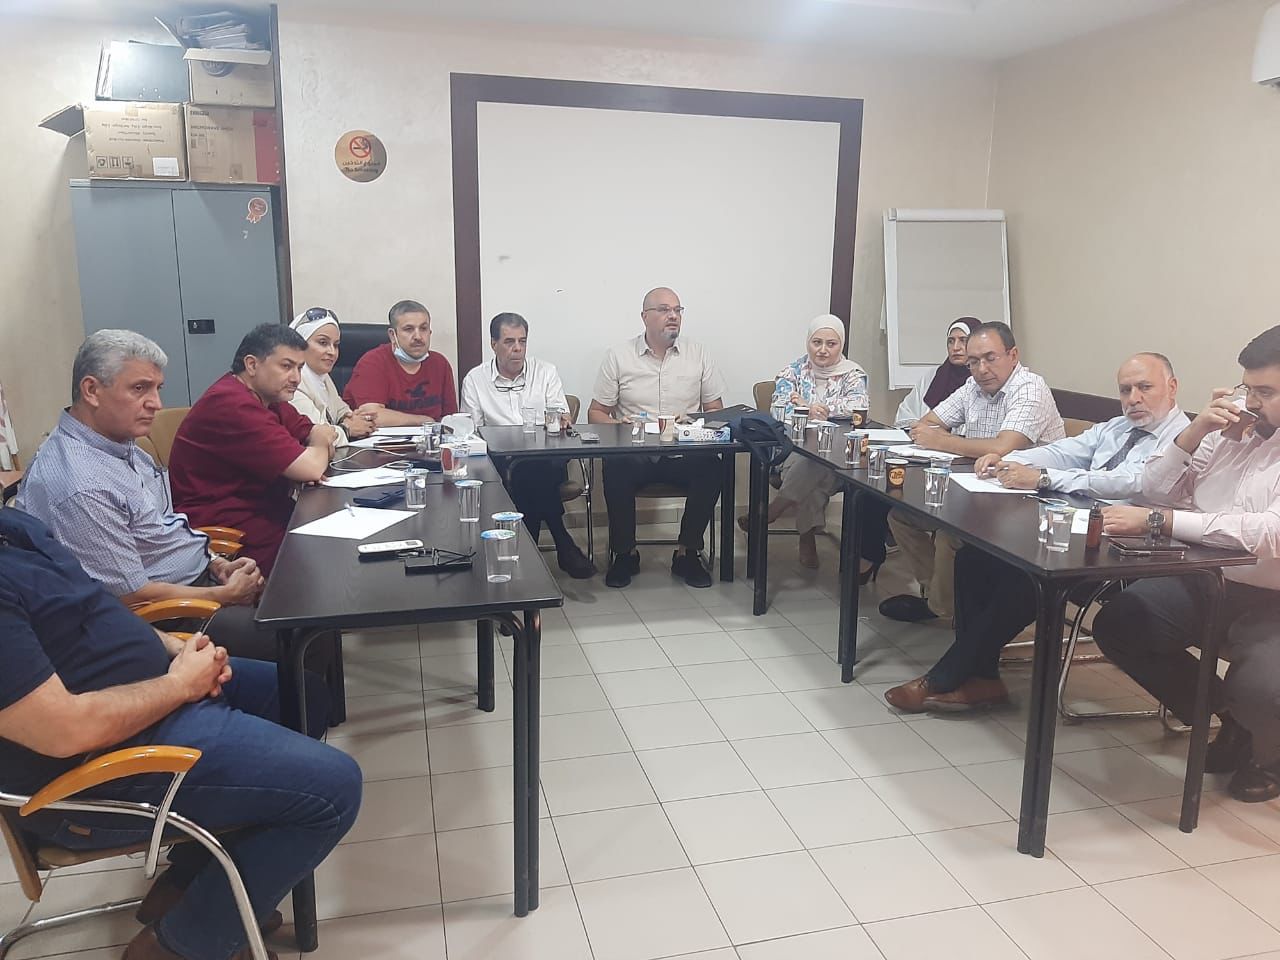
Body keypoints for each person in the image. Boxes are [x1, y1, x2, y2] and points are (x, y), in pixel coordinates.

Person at [0, 507, 360, 960]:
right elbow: (64, 732)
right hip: (91, 774)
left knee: (303, 696)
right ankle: (182, 947)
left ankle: (190, 885)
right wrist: (180, 685)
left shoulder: (13, 527)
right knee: (334, 789)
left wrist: (175, 648)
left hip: (150, 701)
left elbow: (96, 609)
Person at [883, 353, 1187, 712]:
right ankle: (982, 677)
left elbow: (1131, 482)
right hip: (1077, 528)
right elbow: (1062, 451)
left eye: (1144, 387)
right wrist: (1012, 461)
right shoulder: (1116, 427)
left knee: (1029, 576)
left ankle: (945, 677)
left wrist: (1044, 478)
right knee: (974, 558)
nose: (1133, 398)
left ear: (1172, 387)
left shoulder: (1183, 439)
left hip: (1130, 550)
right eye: (1125, 390)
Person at [1091, 326, 1280, 803]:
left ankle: (1268, 752)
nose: (1251, 403)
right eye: (1248, 389)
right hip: (1211, 579)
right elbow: (1154, 489)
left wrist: (1163, 522)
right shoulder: (1231, 433)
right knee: (1122, 623)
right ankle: (1229, 718)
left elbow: (1268, 534)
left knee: (1262, 686)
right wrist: (1196, 431)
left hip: (1273, 597)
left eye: (1266, 393)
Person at [16, 330, 279, 661]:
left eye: (157, 388)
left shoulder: (120, 446)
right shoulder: (83, 484)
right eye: (139, 388)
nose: (156, 403)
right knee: (298, 638)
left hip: (195, 584)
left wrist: (216, 564)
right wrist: (224, 595)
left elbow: (162, 530)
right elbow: (129, 597)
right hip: (164, 618)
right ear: (92, 390)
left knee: (300, 611)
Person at [881, 321, 1065, 623]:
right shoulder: (972, 387)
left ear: (1013, 355)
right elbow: (926, 424)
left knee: (950, 535)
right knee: (901, 516)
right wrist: (947, 439)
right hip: (979, 490)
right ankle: (943, 599)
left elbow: (1003, 446)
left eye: (990, 358)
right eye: (973, 362)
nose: (981, 369)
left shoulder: (1030, 388)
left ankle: (943, 608)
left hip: (1029, 499)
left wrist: (944, 441)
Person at [169, 325, 337, 577]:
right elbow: (311, 465)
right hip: (230, 532)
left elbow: (310, 432)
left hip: (266, 512)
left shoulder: (267, 398)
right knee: (329, 560)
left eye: (299, 368)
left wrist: (318, 441)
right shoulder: (231, 404)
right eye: (286, 366)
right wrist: (320, 442)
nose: (296, 378)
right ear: (252, 365)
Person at [588, 287, 726, 588]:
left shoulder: (698, 354)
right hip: (636, 452)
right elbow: (596, 413)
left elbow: (716, 410)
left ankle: (687, 552)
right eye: (664, 310)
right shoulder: (619, 356)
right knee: (616, 467)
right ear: (645, 317)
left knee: (713, 467)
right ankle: (625, 553)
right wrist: (617, 424)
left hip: (683, 452)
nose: (673, 316)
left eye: (677, 310)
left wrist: (694, 423)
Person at [738, 314, 881, 571]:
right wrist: (807, 411)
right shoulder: (793, 371)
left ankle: (777, 510)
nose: (823, 350)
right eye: (817, 342)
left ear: (841, 345)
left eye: (831, 344)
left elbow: (858, 406)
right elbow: (778, 409)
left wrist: (814, 406)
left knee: (821, 462)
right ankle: (805, 536)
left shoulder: (853, 374)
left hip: (839, 453)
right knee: (814, 462)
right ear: (808, 343)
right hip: (794, 449)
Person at [461, 312, 596, 578]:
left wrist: (561, 419)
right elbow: (472, 431)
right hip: (501, 463)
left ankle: (527, 555)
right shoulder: (475, 380)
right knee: (528, 476)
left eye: (522, 341)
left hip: (546, 458)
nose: (517, 348)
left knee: (532, 470)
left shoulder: (545, 372)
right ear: (493, 344)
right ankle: (561, 541)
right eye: (509, 341)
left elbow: (560, 415)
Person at [342, 300, 458, 426]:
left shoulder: (440, 364)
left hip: (431, 437)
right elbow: (372, 416)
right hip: (380, 438)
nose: (418, 336)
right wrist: (424, 421)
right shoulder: (373, 362)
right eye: (409, 329)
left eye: (423, 329)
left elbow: (450, 420)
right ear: (393, 335)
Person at [287, 307, 375, 443]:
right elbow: (316, 435)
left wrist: (355, 419)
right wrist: (347, 429)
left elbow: (341, 409)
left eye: (336, 345)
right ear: (299, 345)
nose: (332, 352)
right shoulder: (291, 383)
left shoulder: (322, 377)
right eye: (323, 343)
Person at [894, 317, 982, 428]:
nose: (955, 347)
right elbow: (905, 414)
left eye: (963, 340)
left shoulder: (983, 380)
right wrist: (923, 428)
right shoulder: (932, 377)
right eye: (951, 341)